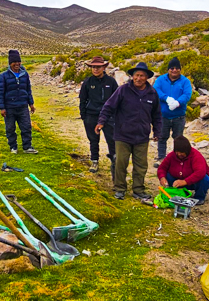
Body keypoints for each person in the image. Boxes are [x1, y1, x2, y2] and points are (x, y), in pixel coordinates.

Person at [97, 62, 162, 202]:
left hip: (142, 136)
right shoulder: (123, 90)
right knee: (121, 162)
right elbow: (108, 106)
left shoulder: (152, 93)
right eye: (136, 75)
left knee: (141, 165)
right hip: (122, 134)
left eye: (142, 76)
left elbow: (157, 115)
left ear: (147, 78)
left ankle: (138, 190)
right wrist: (101, 121)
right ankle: (120, 189)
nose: (139, 78)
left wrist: (157, 131)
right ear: (132, 76)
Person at [78, 55, 118, 173]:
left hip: (108, 116)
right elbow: (82, 99)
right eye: (93, 67)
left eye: (98, 67)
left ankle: (115, 161)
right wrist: (84, 115)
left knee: (112, 139)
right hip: (91, 115)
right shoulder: (88, 82)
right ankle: (94, 161)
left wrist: (115, 116)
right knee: (93, 140)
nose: (96, 69)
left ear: (104, 67)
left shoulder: (111, 82)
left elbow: (117, 99)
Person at [0, 49, 37, 154]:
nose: (17, 64)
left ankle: (27, 147)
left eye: (19, 62)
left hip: (23, 106)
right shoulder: (3, 76)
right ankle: (13, 147)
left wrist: (31, 104)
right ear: (10, 63)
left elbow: (28, 89)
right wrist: (2, 108)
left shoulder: (25, 74)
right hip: (9, 107)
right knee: (10, 128)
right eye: (15, 62)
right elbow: (0, 92)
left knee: (26, 127)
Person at [153, 57, 193, 161]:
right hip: (163, 115)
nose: (174, 70)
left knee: (178, 139)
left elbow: (187, 94)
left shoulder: (185, 81)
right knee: (162, 138)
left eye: (177, 68)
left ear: (180, 69)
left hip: (179, 116)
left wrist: (178, 102)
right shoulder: (161, 79)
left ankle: (177, 159)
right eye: (172, 68)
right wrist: (166, 98)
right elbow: (156, 90)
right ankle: (161, 158)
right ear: (168, 69)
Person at [157, 136, 209, 203]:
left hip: (194, 182)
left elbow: (200, 172)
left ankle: (199, 197)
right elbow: (162, 168)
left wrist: (185, 181)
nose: (179, 154)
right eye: (177, 152)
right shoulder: (172, 155)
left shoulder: (196, 156)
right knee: (167, 175)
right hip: (178, 181)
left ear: (187, 151)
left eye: (181, 152)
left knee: (204, 179)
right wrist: (162, 178)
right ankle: (177, 193)